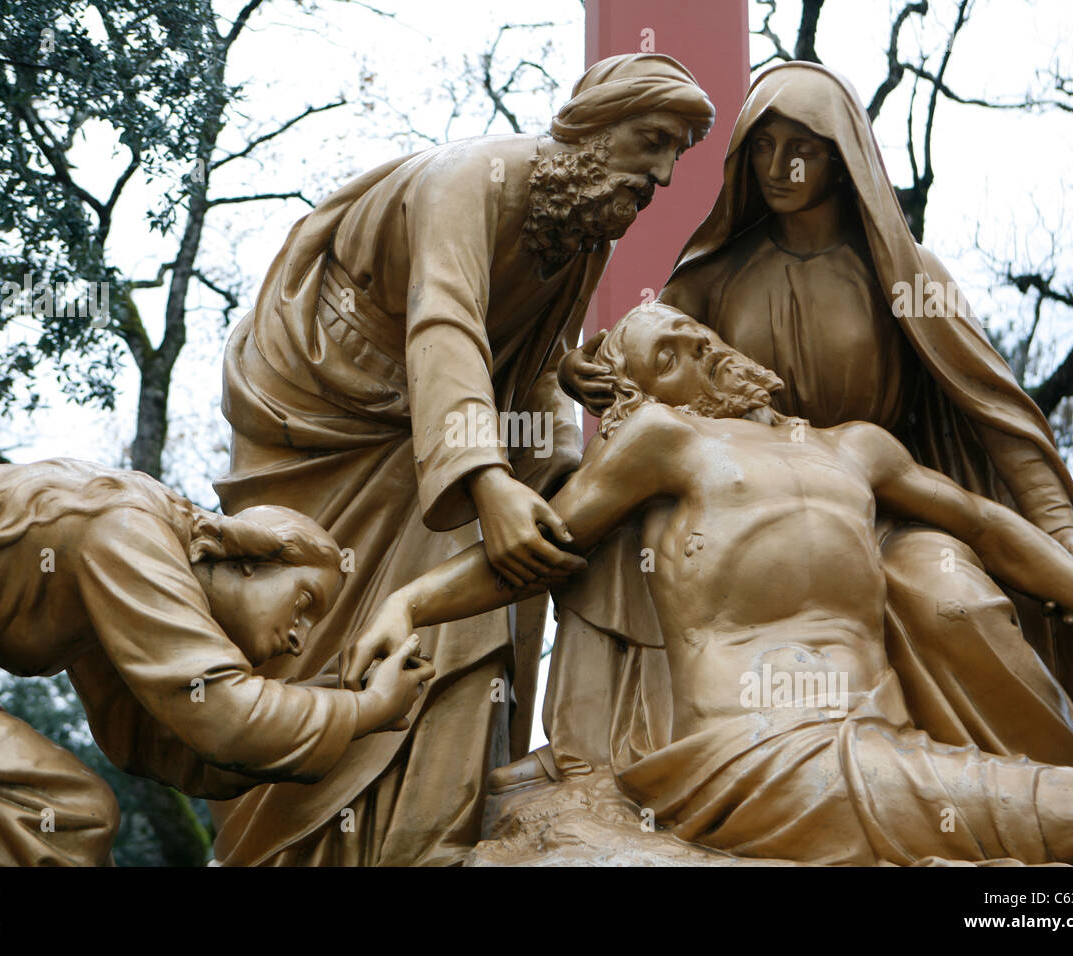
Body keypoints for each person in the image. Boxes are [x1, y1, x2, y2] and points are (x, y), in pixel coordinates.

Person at [348, 305, 1073, 865]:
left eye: (696, 333)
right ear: (637, 395)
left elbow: (980, 521)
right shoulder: (666, 444)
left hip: (886, 745)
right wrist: (408, 603)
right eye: (667, 352)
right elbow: (534, 548)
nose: (697, 347)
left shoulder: (856, 448)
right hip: (763, 758)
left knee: (1070, 815)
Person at [544, 61, 1073, 788]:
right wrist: (575, 370)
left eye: (803, 149)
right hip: (743, 510)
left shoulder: (906, 277)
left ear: (843, 160)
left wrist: (1072, 560)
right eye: (761, 147)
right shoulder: (718, 273)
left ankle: (1070, 798)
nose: (779, 168)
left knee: (958, 607)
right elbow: (639, 352)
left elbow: (999, 420)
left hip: (883, 502)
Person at [209, 54, 716, 866]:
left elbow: (521, 350)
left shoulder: (581, 227)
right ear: (589, 128)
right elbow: (445, 326)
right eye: (651, 140)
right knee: (317, 621)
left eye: (675, 156)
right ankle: (297, 842)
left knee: (478, 613)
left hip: (444, 429)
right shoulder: (466, 179)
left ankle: (428, 841)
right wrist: (486, 483)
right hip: (334, 418)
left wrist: (563, 370)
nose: (659, 173)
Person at [0, 459, 431, 865]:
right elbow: (230, 719)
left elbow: (167, 745)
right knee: (58, 814)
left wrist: (339, 697)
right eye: (304, 605)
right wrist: (367, 707)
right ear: (254, 560)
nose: (300, 641)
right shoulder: (130, 530)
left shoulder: (125, 575)